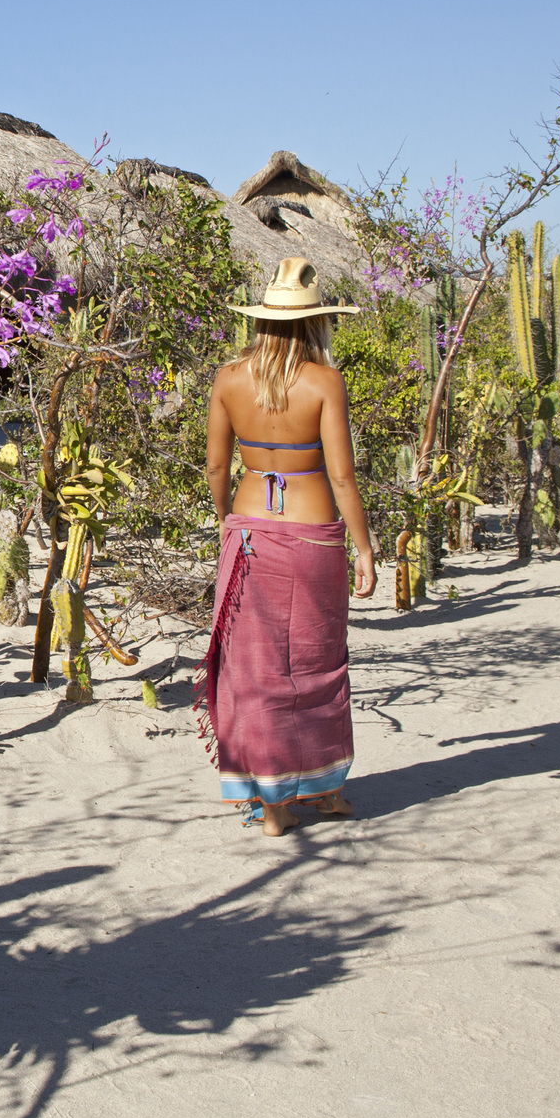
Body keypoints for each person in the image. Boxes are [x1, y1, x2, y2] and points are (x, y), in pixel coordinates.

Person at [199, 257, 377, 836]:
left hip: (249, 531)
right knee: (318, 660)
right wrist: (366, 549)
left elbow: (217, 466)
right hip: (312, 532)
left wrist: (230, 522)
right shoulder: (324, 381)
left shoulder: (228, 379)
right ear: (314, 322)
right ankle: (324, 791)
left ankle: (272, 805)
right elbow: (343, 476)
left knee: (255, 668)